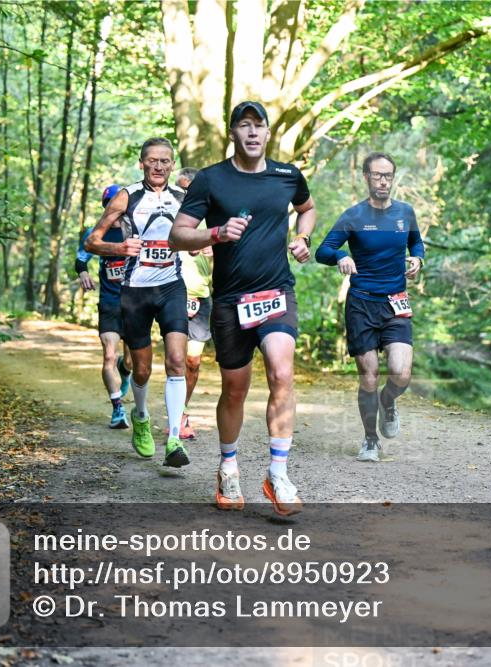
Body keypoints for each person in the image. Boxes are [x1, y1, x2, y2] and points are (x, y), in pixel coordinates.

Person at [170, 101, 316, 516]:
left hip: (276, 293)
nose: (253, 133)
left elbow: (307, 209)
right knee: (235, 389)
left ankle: (278, 473)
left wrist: (303, 238)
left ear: (268, 133)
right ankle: (228, 467)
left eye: (259, 126)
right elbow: (177, 235)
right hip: (231, 300)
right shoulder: (212, 180)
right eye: (244, 126)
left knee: (281, 371)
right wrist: (215, 233)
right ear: (232, 133)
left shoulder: (287, 176)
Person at [85, 138, 190, 468]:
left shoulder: (183, 199)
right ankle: (141, 416)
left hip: (172, 286)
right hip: (135, 291)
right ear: (141, 163)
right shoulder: (127, 197)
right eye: (153, 161)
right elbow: (92, 241)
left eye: (165, 161)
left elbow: (201, 232)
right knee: (141, 368)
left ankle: (173, 437)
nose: (159, 167)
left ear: (173, 165)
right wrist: (119, 249)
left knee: (176, 359)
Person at [315, 152, 424, 462]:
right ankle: (370, 440)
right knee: (369, 375)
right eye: (377, 175)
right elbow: (323, 250)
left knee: (401, 373)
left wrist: (417, 258)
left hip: (395, 303)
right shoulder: (354, 216)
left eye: (388, 175)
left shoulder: (405, 213)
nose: (383, 181)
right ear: (365, 177)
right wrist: (341, 256)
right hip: (362, 303)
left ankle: (388, 403)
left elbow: (416, 242)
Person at [75, 184, 134, 429]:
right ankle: (118, 408)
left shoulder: (136, 231)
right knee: (109, 354)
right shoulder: (95, 232)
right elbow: (80, 258)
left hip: (134, 302)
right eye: (112, 205)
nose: (117, 211)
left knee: (130, 362)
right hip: (109, 302)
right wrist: (83, 273)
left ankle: (125, 370)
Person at [174, 167, 211, 441]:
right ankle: (175, 415)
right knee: (174, 359)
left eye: (188, 189)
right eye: (181, 189)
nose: (184, 194)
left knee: (192, 361)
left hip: (201, 298)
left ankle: (182, 411)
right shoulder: (170, 217)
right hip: (172, 293)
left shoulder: (213, 219)